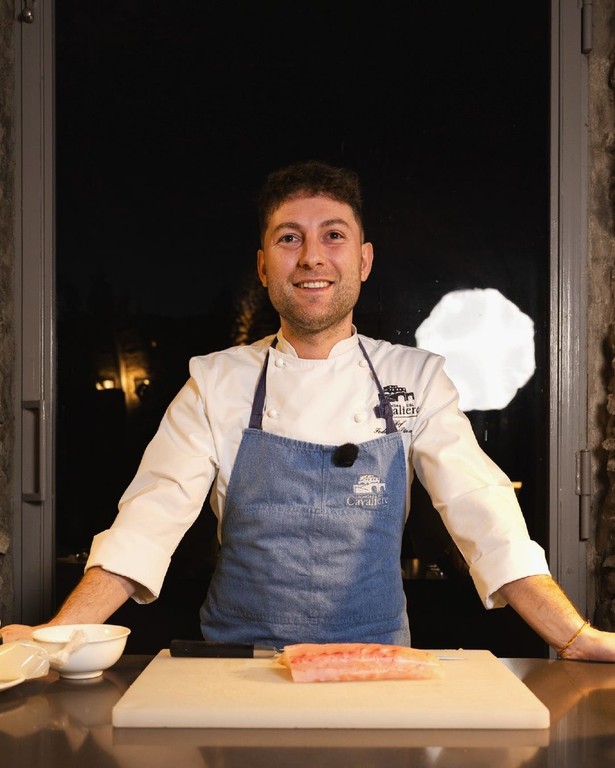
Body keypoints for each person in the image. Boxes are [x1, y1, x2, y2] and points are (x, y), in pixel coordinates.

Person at [2, 159, 615, 660]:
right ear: (264, 265)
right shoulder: (215, 382)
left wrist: (574, 637)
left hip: (374, 667)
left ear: (364, 261)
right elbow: (145, 525)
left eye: (333, 236)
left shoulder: (415, 378)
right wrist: (56, 635)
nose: (312, 257)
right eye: (289, 237)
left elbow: (484, 513)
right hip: (237, 668)